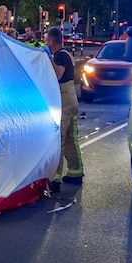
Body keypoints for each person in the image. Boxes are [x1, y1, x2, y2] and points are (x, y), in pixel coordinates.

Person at [44, 26, 83, 190]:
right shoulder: (66, 54)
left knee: (58, 140)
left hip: (64, 102)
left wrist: (49, 58)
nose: (45, 42)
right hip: (71, 100)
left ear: (52, 42)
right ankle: (75, 173)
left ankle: (55, 179)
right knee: (70, 139)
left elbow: (59, 74)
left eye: (46, 40)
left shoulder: (60, 56)